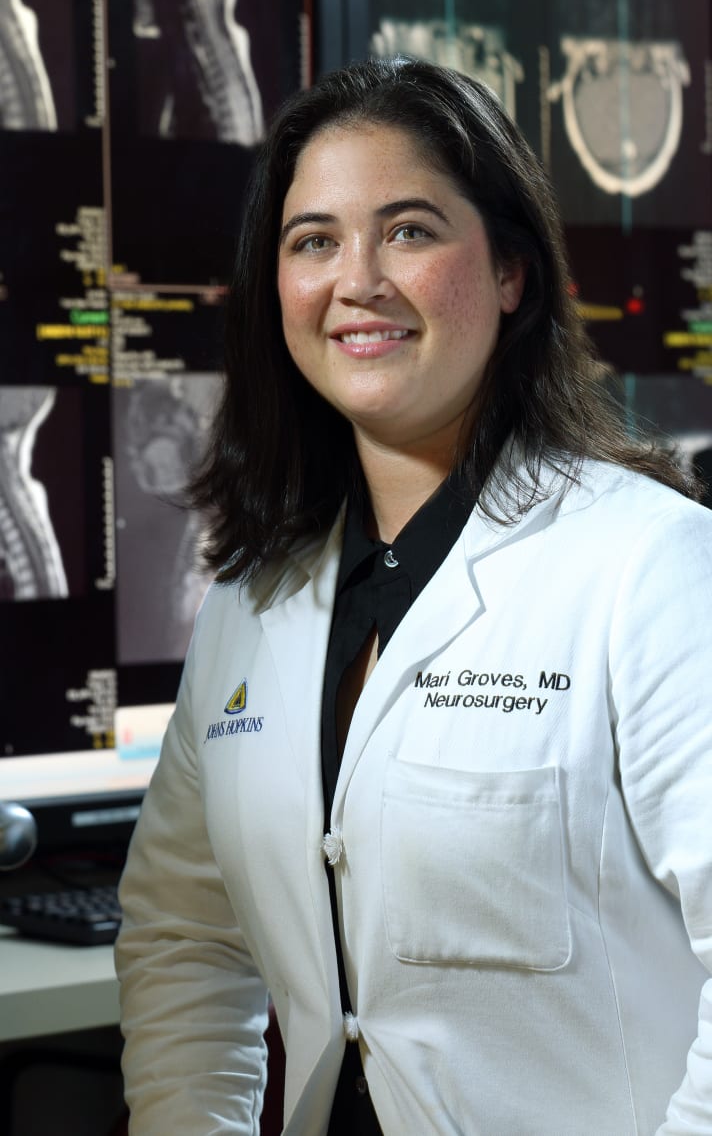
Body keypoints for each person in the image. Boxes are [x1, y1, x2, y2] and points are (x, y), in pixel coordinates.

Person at [115, 57, 712, 1136]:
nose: (357, 281)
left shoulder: (651, 567)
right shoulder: (254, 603)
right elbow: (184, 938)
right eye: (314, 242)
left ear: (511, 273)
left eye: (408, 231)